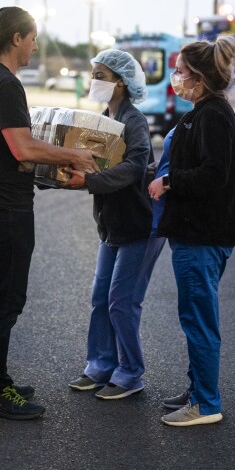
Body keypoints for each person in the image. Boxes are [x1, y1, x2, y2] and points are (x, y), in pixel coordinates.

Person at [0, 7, 100, 421]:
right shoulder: (4, 83)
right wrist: (74, 153)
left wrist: (46, 168)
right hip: (1, 208)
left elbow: (6, 151)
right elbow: (23, 147)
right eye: (33, 37)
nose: (36, 45)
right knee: (4, 301)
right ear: (17, 38)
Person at [148, 36, 235, 427]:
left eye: (179, 72)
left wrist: (169, 182)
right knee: (196, 315)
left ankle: (206, 404)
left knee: (198, 319)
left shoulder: (212, 114)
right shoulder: (207, 111)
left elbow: (214, 174)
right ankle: (197, 389)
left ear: (199, 76)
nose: (175, 78)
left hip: (202, 235)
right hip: (200, 232)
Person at [62, 49, 156, 399]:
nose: (94, 80)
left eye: (101, 74)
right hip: (112, 225)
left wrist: (87, 182)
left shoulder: (134, 121)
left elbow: (134, 167)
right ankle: (101, 366)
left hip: (139, 226)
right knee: (101, 297)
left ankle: (130, 374)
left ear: (121, 82)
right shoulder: (103, 119)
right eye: (94, 74)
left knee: (121, 300)